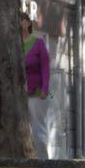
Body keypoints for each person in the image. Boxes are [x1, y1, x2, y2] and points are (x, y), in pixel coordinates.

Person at [20, 14, 50, 158]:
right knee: (23, 129)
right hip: (20, 95)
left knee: (38, 129)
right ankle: (30, 158)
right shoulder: (15, 45)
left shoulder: (38, 43)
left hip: (37, 93)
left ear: (28, 23)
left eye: (22, 20)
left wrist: (45, 88)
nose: (19, 24)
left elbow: (45, 67)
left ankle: (43, 160)